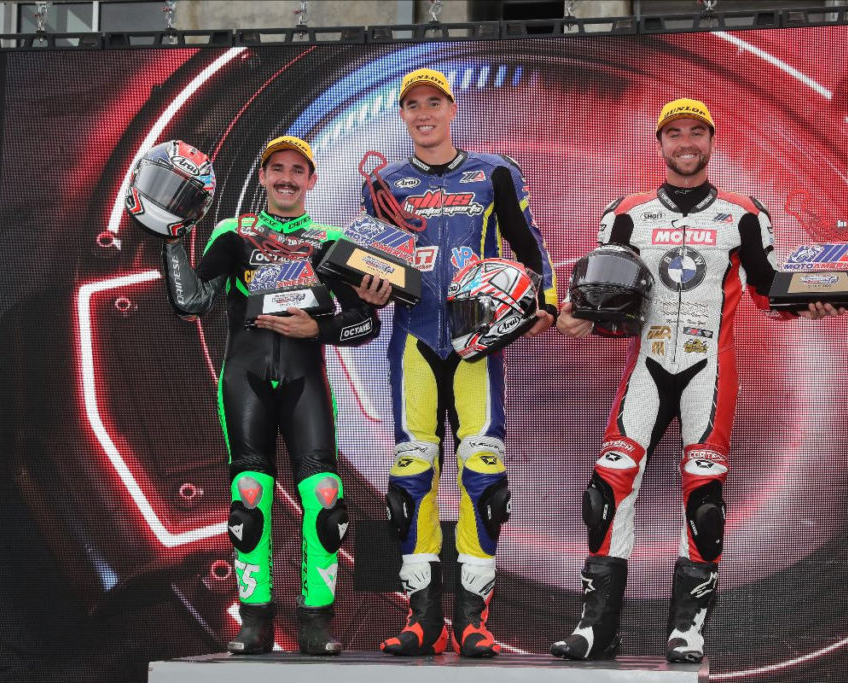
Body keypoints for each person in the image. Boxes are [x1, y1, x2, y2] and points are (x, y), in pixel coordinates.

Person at [550, 99, 844, 663]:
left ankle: (688, 630)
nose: (686, 142)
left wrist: (808, 305)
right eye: (674, 133)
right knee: (604, 490)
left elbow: (766, 290)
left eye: (696, 132)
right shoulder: (627, 212)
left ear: (711, 141)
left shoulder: (744, 213)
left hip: (710, 368)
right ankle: (597, 627)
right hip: (647, 364)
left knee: (704, 499)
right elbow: (597, 293)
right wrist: (577, 317)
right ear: (659, 143)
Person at [162, 135, 390, 655]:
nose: (287, 178)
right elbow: (191, 302)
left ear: (312, 180)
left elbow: (367, 323)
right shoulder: (232, 232)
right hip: (244, 381)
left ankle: (316, 622)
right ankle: (254, 621)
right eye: (277, 169)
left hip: (306, 382)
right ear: (263, 177)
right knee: (250, 497)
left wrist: (319, 331)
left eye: (297, 170)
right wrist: (172, 241)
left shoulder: (334, 242)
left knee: (326, 500)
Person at [361, 68, 558, 658]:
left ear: (452, 108)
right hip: (413, 343)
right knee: (410, 475)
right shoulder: (385, 184)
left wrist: (544, 302)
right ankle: (422, 619)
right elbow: (368, 266)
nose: (424, 113)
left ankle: (473, 620)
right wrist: (364, 290)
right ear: (402, 115)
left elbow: (529, 243)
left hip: (478, 345)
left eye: (434, 102)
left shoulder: (494, 171)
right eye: (413, 105)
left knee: (484, 474)